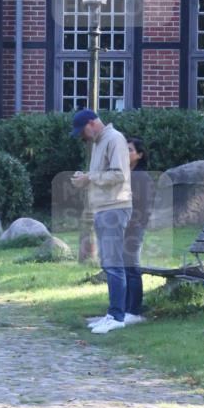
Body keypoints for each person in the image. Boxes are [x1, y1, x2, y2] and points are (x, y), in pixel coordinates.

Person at [70, 108, 132, 334]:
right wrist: (85, 179)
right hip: (103, 208)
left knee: (113, 264)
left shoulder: (114, 139)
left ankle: (117, 317)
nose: (82, 136)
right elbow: (101, 175)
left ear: (91, 123)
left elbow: (119, 174)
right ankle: (113, 313)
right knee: (108, 263)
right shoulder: (98, 142)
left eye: (82, 131)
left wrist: (90, 177)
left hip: (115, 207)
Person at [123, 138, 155, 323]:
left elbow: (144, 205)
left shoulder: (141, 177)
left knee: (131, 267)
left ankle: (134, 311)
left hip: (133, 227)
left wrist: (134, 224)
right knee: (123, 267)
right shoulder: (126, 174)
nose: (125, 153)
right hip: (122, 226)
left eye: (129, 150)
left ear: (140, 155)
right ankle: (125, 308)